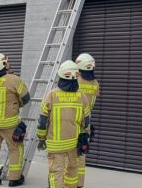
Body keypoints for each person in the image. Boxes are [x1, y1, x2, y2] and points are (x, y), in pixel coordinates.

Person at [36, 60, 91, 188]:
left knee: (56, 172)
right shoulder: (82, 96)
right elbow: (86, 121)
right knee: (72, 170)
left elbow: (42, 121)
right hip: (74, 143)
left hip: (56, 144)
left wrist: (41, 138)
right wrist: (85, 136)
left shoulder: (51, 95)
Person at [0, 53, 30, 187]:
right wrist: (15, 105)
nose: (9, 63)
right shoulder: (14, 79)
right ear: (2, 65)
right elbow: (26, 98)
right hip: (10, 123)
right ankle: (14, 178)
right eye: (6, 62)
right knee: (16, 149)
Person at [74, 53, 100, 188]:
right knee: (81, 155)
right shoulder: (95, 83)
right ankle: (79, 184)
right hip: (86, 123)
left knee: (67, 155)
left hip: (72, 122)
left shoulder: (75, 81)